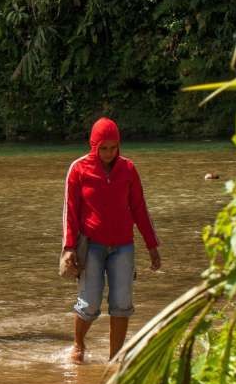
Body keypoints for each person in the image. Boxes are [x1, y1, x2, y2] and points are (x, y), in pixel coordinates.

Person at [60, 116, 161, 363]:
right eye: (102, 148)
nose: (108, 153)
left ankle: (115, 358)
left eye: (113, 147)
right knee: (89, 303)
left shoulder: (128, 169)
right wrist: (69, 247)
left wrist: (152, 246)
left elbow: (139, 208)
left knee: (122, 302)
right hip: (92, 245)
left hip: (123, 247)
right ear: (93, 146)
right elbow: (70, 211)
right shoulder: (79, 169)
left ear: (119, 146)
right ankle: (78, 345)